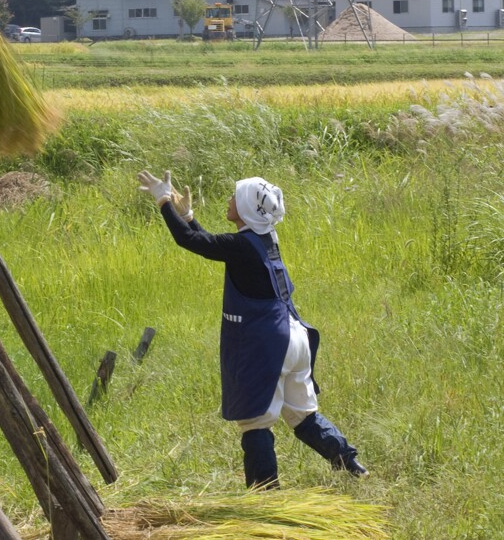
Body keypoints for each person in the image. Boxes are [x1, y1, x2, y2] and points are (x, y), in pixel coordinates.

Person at [137, 169, 368, 489]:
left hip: (270, 343)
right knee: (303, 417)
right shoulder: (264, 238)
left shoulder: (242, 246)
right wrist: (187, 215)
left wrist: (163, 201)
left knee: (255, 424)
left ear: (246, 208)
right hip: (295, 336)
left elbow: (192, 242)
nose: (229, 200)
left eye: (235, 196)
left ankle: (265, 493)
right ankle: (351, 463)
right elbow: (213, 243)